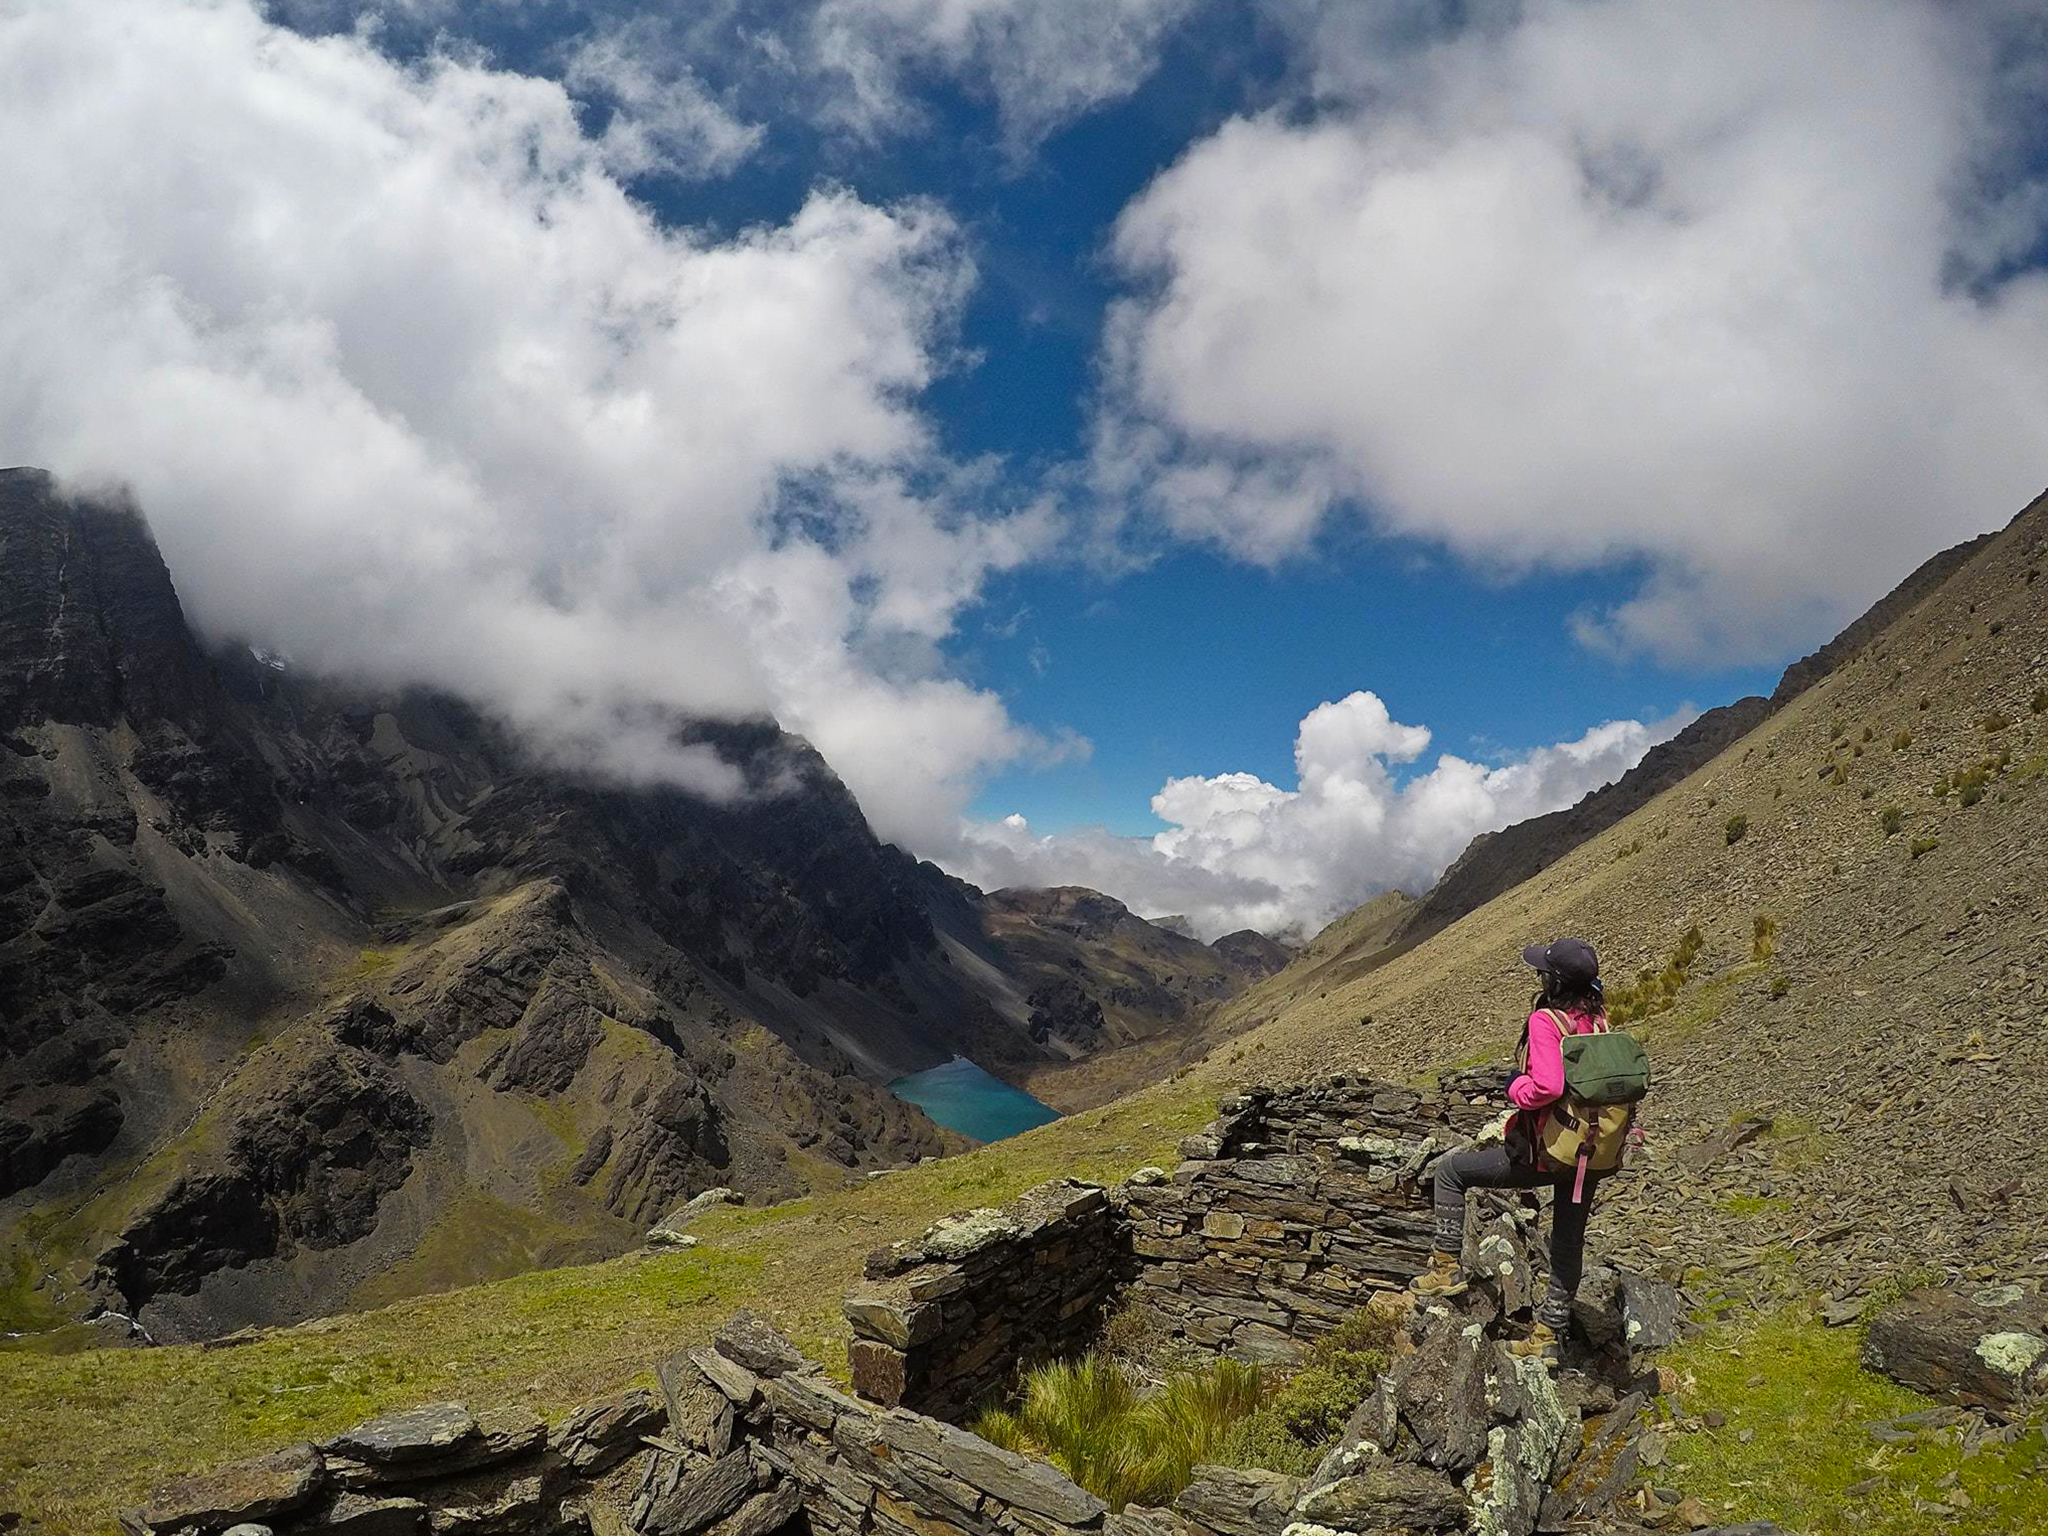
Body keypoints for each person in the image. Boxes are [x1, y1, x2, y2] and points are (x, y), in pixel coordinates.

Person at [1412, 936, 1613, 1361]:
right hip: (1589, 1152)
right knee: (1568, 1241)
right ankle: (1546, 1338)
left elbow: (1548, 1086)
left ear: (1555, 981)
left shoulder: (1547, 1021)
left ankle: (1446, 1268)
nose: (1538, 977)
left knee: (1451, 1172)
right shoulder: (1598, 1019)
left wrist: (1514, 1086)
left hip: (1546, 1151)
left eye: (1543, 972)